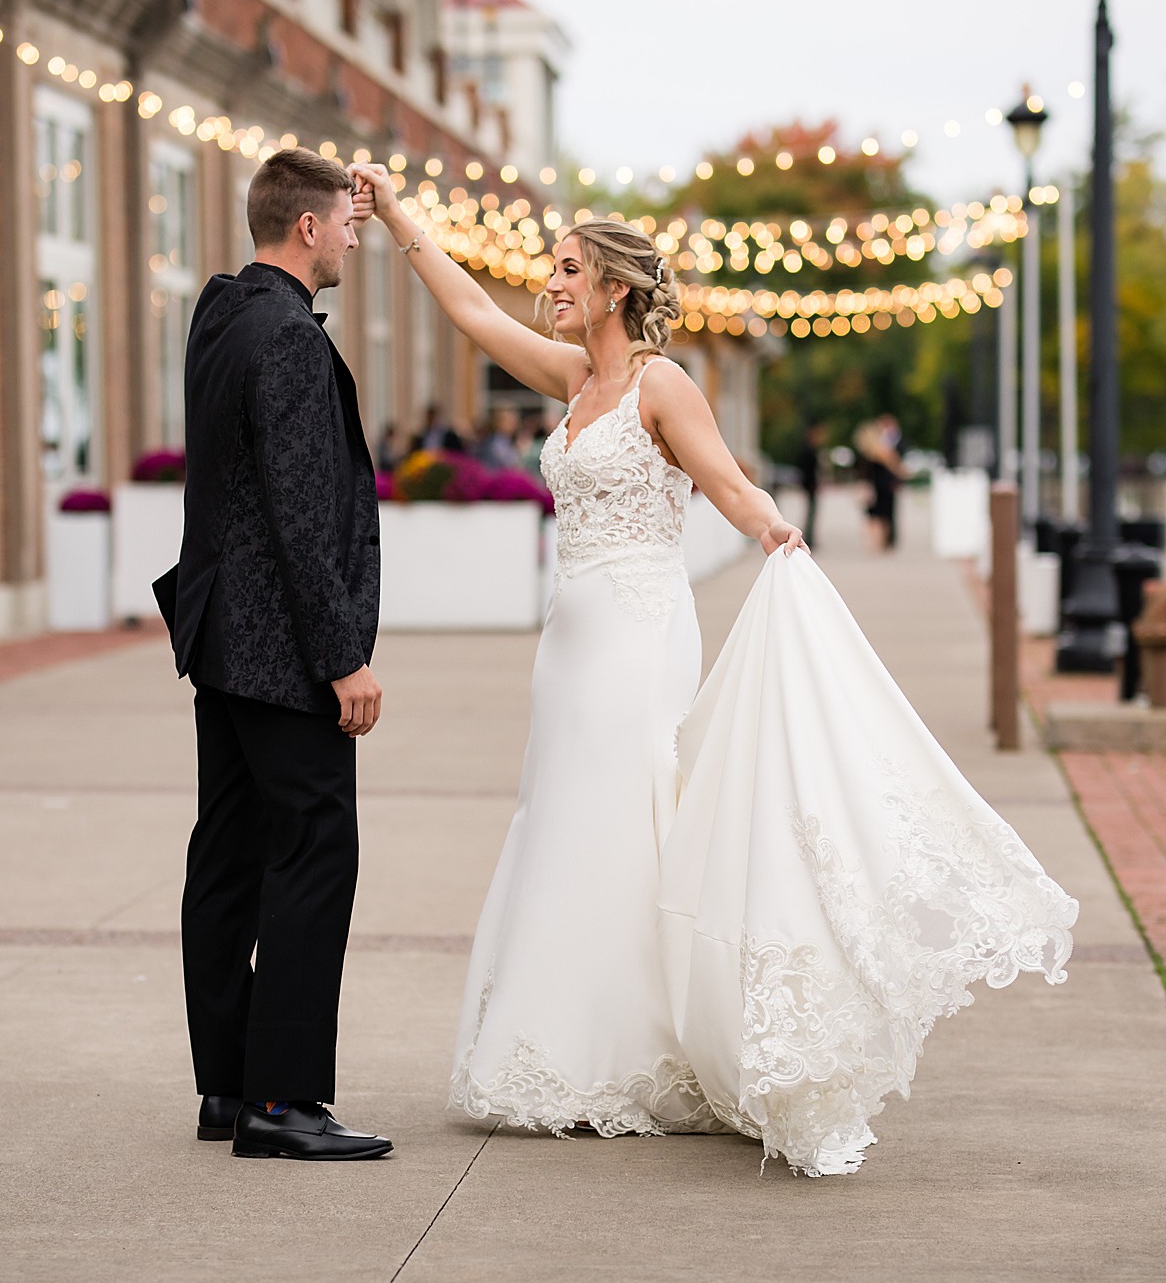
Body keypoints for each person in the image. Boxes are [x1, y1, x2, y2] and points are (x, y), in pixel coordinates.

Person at [353, 164, 1075, 1175]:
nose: (550, 282)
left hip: (641, 630)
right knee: (562, 815)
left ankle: (650, 1048)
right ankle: (561, 1046)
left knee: (629, 814)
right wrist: (397, 214)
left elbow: (725, 480)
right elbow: (470, 310)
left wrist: (774, 532)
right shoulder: (572, 380)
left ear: (614, 289)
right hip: (569, 635)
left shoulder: (662, 382)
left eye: (569, 270)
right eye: (551, 267)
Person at [155, 148, 392, 1162]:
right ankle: (283, 1100)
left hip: (219, 638)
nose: (352, 235)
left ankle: (229, 1084)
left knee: (228, 854)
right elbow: (300, 513)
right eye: (345, 221)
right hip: (282, 650)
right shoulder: (290, 340)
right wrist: (342, 657)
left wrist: (355, 183)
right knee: (312, 852)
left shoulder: (223, 312)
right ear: (305, 228)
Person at [857, 414, 910, 551]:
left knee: (871, 516)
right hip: (882, 486)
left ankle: (872, 542)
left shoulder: (865, 451)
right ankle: (881, 543)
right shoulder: (881, 450)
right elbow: (896, 465)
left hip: (871, 486)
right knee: (883, 516)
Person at [792, 420, 826, 552]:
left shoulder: (808, 448)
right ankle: (809, 537)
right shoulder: (808, 450)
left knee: (811, 511)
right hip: (810, 485)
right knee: (811, 512)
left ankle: (809, 536)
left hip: (810, 484)